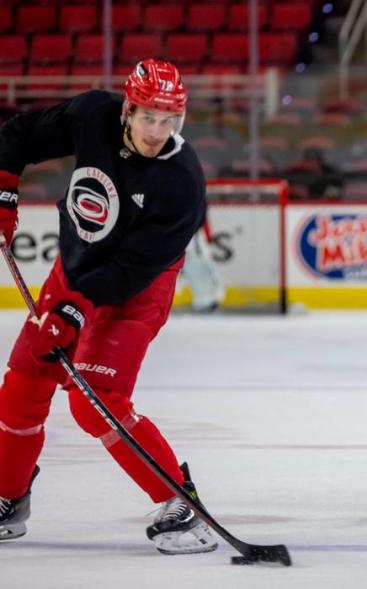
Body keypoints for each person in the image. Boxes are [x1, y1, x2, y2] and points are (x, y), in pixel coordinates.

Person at [0, 60, 217, 553]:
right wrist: (4, 191)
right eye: (149, 118)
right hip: (75, 271)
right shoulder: (93, 116)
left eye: (169, 121)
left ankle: (180, 501)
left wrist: (72, 312)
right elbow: (20, 134)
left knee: (94, 397)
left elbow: (129, 270)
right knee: (22, 382)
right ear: (127, 109)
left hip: (137, 290)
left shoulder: (181, 182)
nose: (157, 132)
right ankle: (8, 499)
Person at [181, 217, 225, 313]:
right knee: (198, 271)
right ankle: (204, 301)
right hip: (192, 240)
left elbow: (203, 218)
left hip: (194, 239)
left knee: (202, 271)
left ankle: (206, 300)